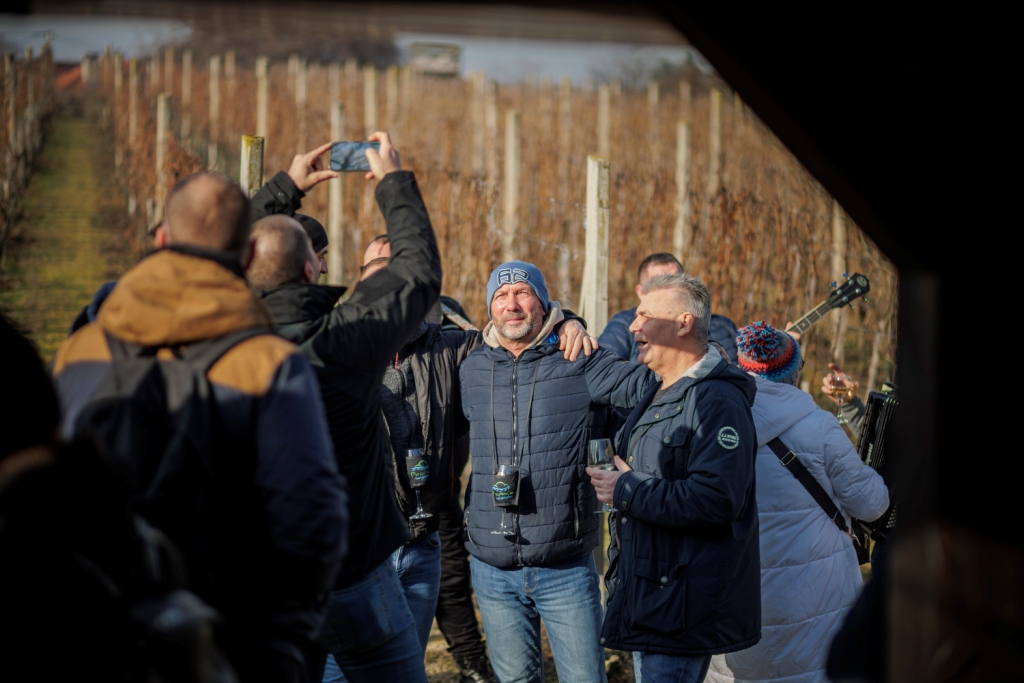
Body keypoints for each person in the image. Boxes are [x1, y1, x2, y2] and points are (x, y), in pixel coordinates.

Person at [51, 171, 348, 682]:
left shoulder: (80, 352)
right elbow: (310, 519)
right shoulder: (268, 362)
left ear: (162, 239)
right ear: (250, 257)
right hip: (226, 643)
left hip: (94, 634)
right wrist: (277, 642)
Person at [248, 132, 439, 683]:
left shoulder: (215, 334)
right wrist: (394, 185)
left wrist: (280, 191)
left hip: (262, 574)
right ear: (313, 271)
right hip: (353, 565)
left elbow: (206, 260)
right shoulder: (340, 340)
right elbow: (417, 277)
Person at [459, 260, 654, 683]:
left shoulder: (579, 358)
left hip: (563, 566)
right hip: (491, 570)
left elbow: (653, 386)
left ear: (545, 304)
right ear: (489, 308)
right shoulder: (470, 367)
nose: (511, 305)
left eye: (523, 293)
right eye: (500, 296)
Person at [588, 273, 760, 683]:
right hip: (656, 601)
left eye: (645, 315)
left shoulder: (715, 401)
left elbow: (717, 499)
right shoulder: (659, 387)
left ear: (683, 323)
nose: (633, 326)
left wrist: (626, 488)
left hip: (682, 611)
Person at [701, 321, 888, 683]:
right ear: (795, 371)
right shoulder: (819, 427)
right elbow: (873, 504)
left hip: (736, 604)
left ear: (740, 368)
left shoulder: (713, 424)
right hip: (819, 606)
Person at [599, 253, 740, 364]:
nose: (672, 288)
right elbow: (605, 370)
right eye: (659, 283)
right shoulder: (625, 324)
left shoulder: (723, 326)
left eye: (677, 280)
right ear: (641, 292)